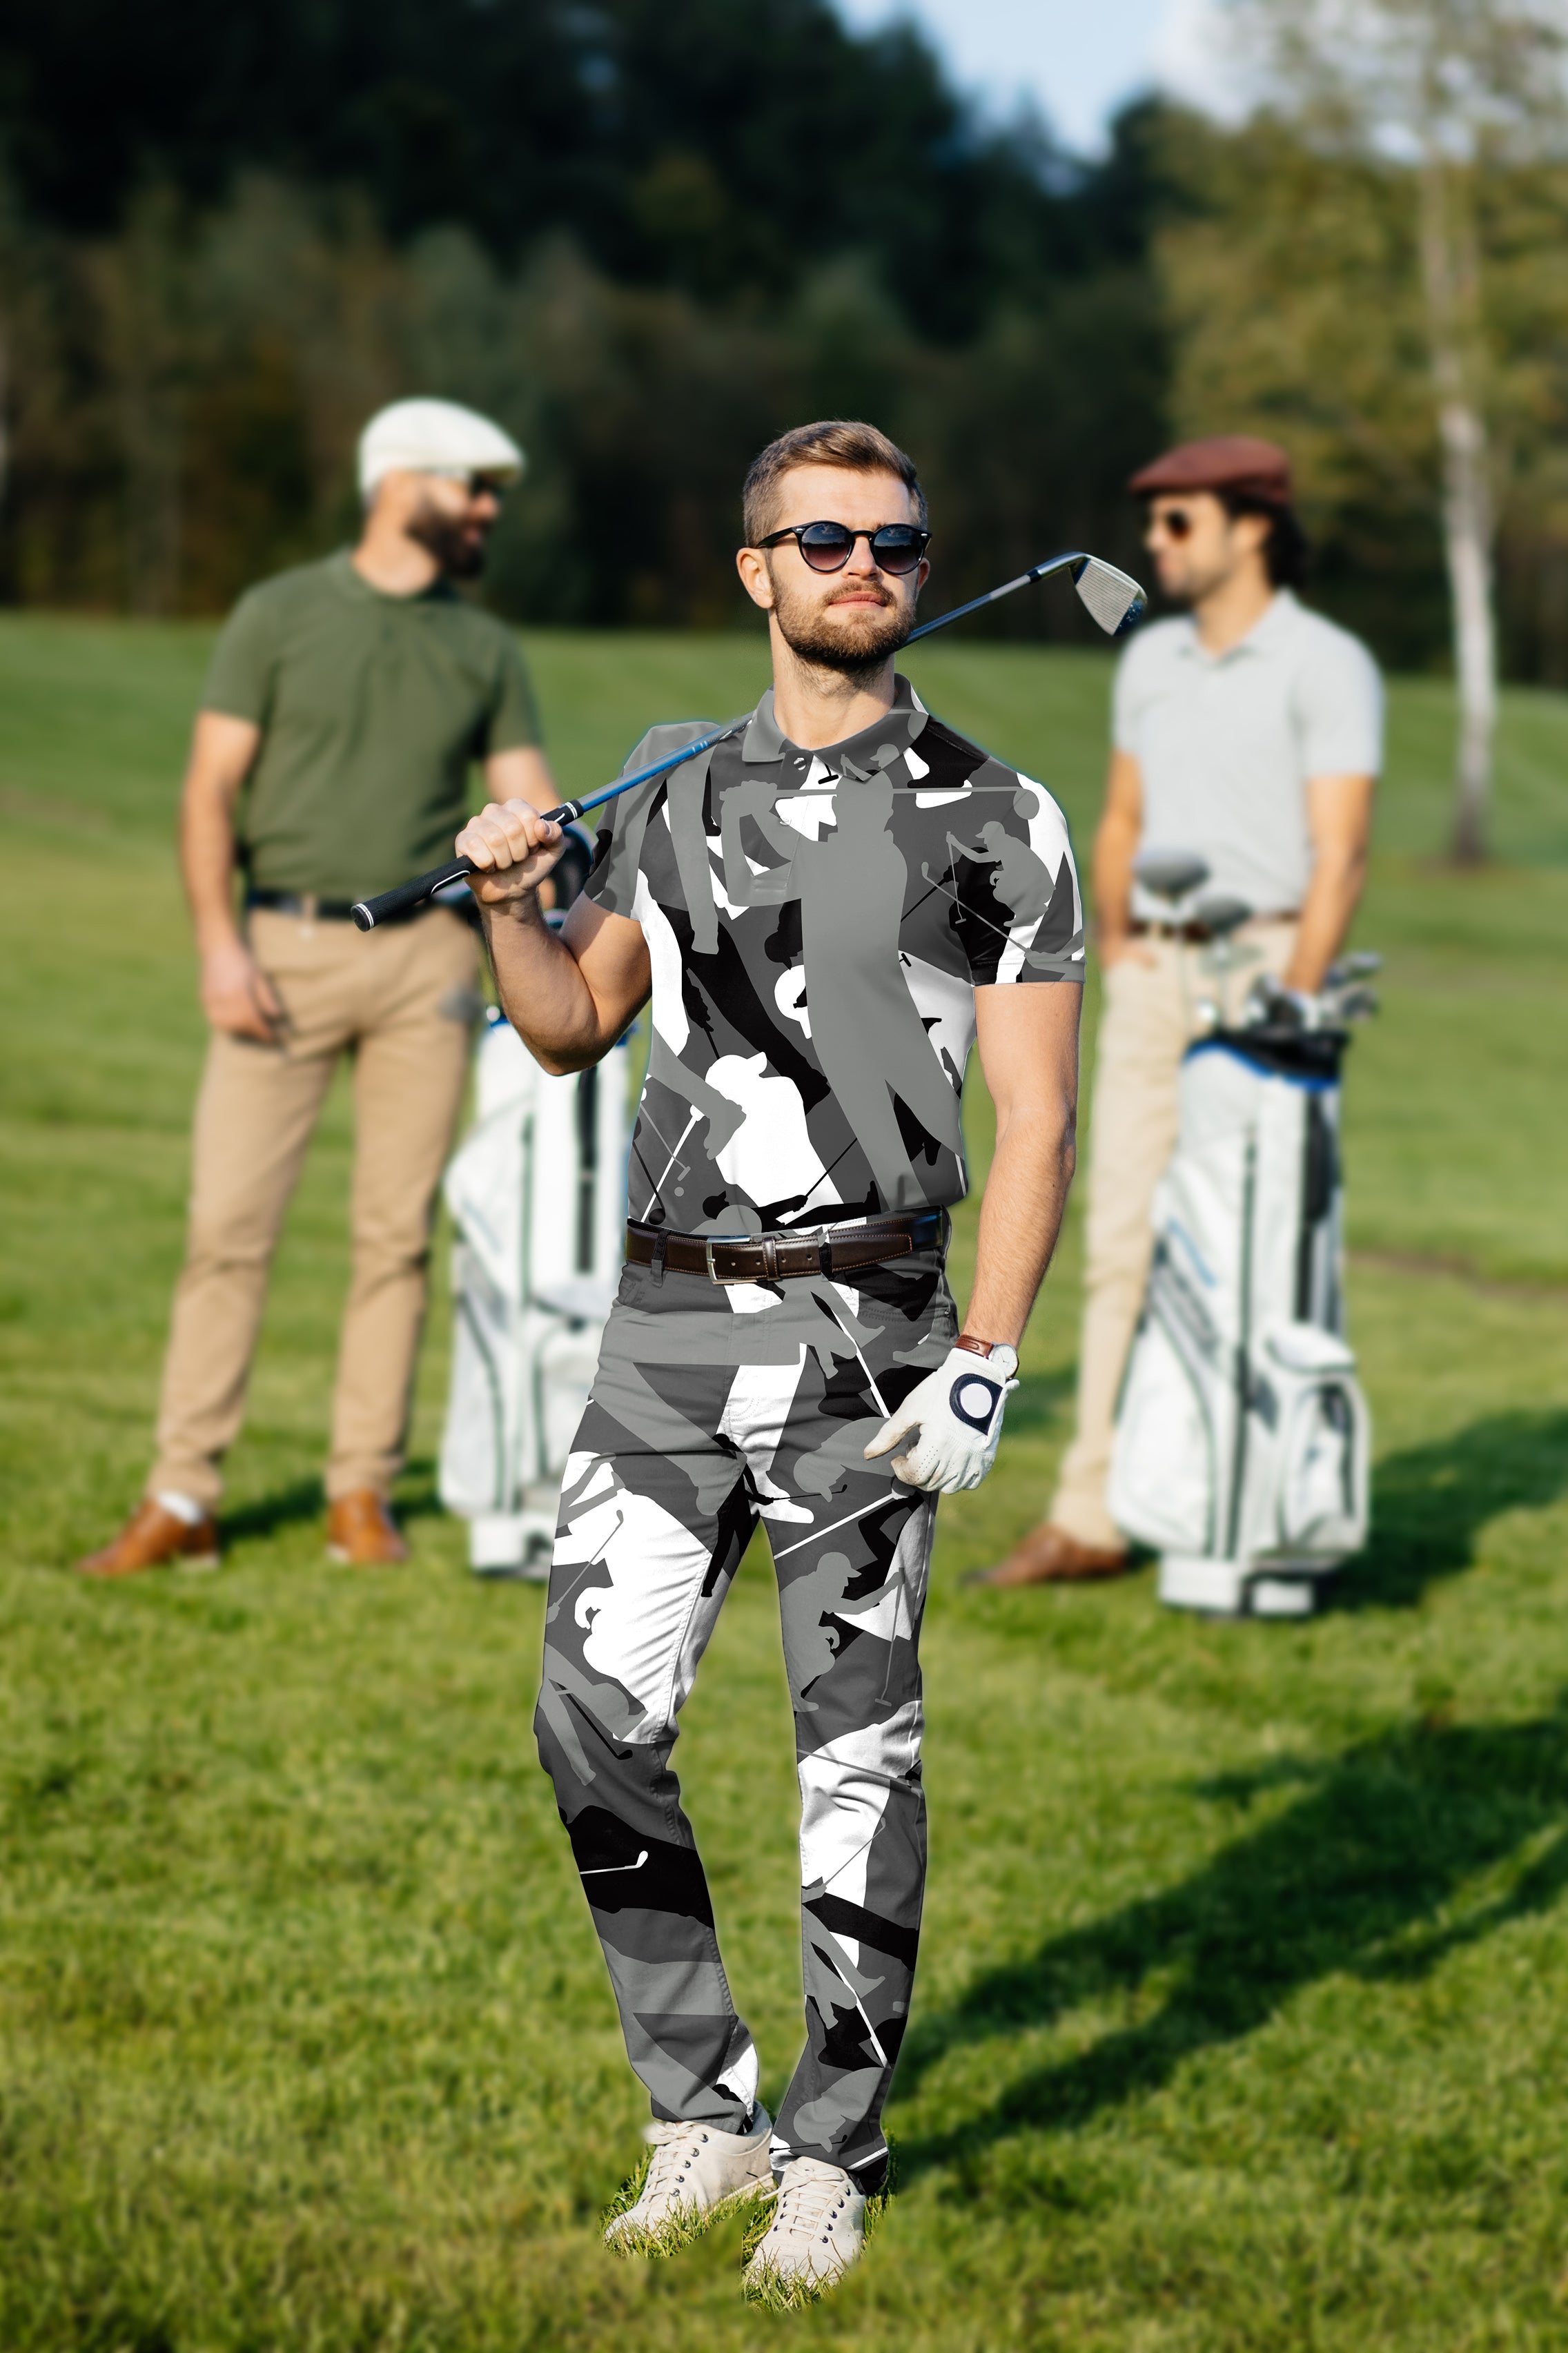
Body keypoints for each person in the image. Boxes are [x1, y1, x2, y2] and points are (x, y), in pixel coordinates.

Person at [453, 419, 1084, 2300]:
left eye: (893, 539)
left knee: (856, 1758)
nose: (863, 565)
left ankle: (831, 2148)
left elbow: (1039, 1120)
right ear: (760, 574)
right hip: (663, 1325)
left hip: (873, 1339)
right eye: (823, 540)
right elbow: (569, 1026)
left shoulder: (998, 814)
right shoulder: (665, 793)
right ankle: (698, 2107)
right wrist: (506, 900)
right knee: (589, 1715)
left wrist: (987, 1354)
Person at [77, 398, 557, 1577]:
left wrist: (555, 861)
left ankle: (360, 1496)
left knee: (394, 1238)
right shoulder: (277, 615)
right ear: (400, 484)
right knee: (226, 1231)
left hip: (430, 966)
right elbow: (208, 792)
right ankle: (183, 1493)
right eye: (472, 486)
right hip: (278, 950)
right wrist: (217, 947)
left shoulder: (484, 645)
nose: (489, 508)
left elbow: (535, 800)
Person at [978, 433, 1382, 1589]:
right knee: (1118, 1245)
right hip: (1153, 973)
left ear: (1253, 525)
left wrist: (1294, 1003)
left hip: (1265, 972)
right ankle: (1094, 1511)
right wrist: (1119, 942)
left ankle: (1245, 1508)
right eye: (1151, 523)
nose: (1155, 544)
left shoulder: (1326, 662)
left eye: (1179, 522)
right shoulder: (1150, 661)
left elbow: (1341, 854)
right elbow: (1120, 820)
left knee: (1251, 1250)